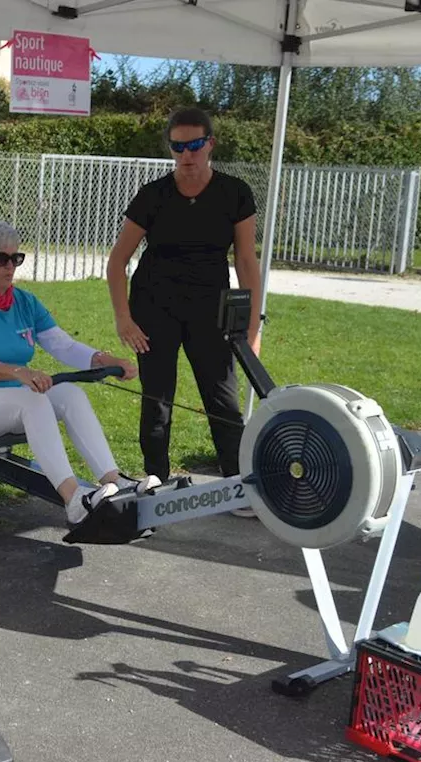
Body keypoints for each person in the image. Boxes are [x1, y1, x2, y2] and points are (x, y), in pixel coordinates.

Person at [0, 220, 157, 526]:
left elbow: (62, 346)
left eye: (16, 258)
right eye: (0, 259)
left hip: (7, 399)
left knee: (70, 393)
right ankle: (74, 499)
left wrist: (105, 359)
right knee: (34, 401)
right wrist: (19, 373)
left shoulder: (25, 302)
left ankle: (114, 480)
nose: (9, 266)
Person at [105, 107, 262, 517]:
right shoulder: (153, 195)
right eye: (178, 147)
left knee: (222, 396)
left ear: (210, 143)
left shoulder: (234, 193)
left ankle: (237, 482)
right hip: (154, 305)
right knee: (157, 396)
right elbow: (117, 261)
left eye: (194, 145)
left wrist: (251, 326)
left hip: (211, 307)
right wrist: (124, 318)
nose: (187, 155)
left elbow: (246, 261)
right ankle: (155, 479)